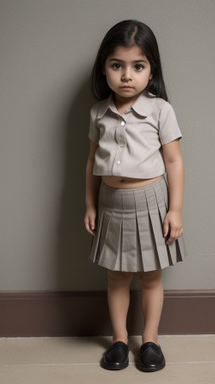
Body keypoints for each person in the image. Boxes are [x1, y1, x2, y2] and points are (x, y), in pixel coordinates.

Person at [84, 19, 186, 372]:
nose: (127, 76)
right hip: (112, 203)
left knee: (152, 275)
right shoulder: (99, 112)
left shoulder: (161, 110)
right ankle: (119, 339)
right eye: (117, 65)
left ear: (150, 69)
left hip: (151, 201)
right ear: (105, 69)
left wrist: (175, 209)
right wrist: (90, 203)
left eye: (137, 66)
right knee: (116, 275)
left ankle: (151, 340)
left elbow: (173, 160)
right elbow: (91, 162)